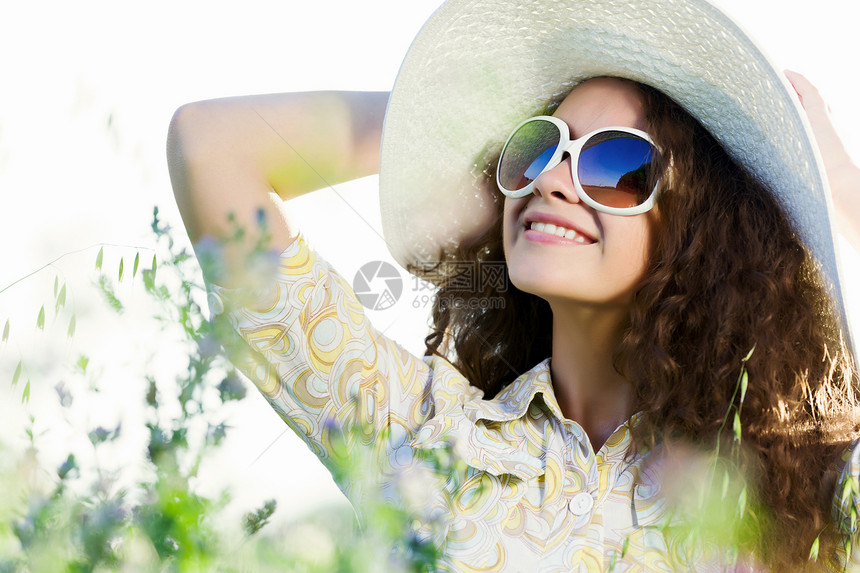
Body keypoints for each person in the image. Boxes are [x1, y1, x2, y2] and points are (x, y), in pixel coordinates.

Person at [167, 0, 860, 570]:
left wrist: (838, 188)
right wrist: (451, 129)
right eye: (536, 147)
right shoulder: (421, 434)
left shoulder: (792, 494)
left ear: (701, 229)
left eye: (614, 163)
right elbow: (211, 147)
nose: (553, 178)